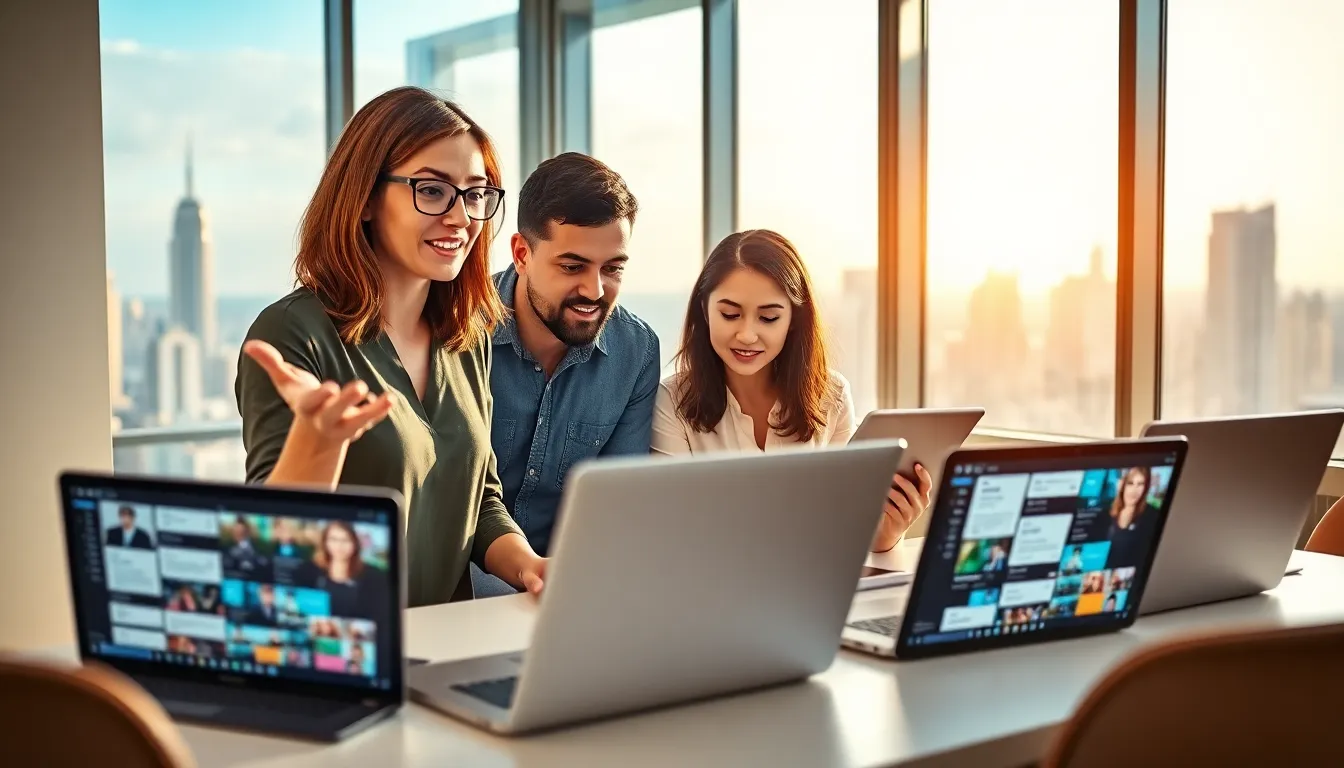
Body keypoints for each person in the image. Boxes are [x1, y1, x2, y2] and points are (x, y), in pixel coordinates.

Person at [234, 86, 545, 606]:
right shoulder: (291, 334)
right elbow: (272, 552)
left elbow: (480, 498)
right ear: (364, 199)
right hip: (348, 652)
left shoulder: (465, 335)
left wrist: (532, 568)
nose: (461, 217)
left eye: (474, 193)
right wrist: (318, 440)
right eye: (432, 190)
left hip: (449, 646)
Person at [651, 230, 931, 551]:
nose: (746, 334)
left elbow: (843, 527)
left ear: (794, 320)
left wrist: (883, 535)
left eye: (768, 318)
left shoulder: (832, 396)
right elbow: (675, 533)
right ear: (704, 309)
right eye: (729, 315)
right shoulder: (672, 401)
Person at [473, 153, 658, 597]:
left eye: (612, 268)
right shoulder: (457, 330)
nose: (594, 291)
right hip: (463, 591)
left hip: (575, 590)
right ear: (522, 254)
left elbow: (618, 509)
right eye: (572, 267)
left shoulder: (636, 352)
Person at [1105, 466, 1158, 568]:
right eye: (1130, 483)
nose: (1134, 490)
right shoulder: (1106, 511)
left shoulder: (1152, 515)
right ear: (1121, 484)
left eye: (1140, 484)